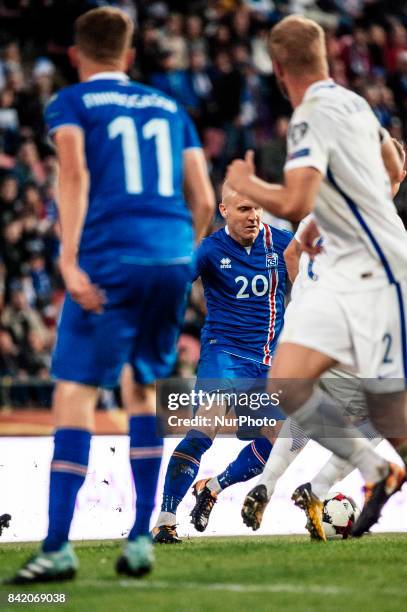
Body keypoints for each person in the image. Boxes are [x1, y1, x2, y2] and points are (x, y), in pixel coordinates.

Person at [9, 7, 215, 584]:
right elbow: (203, 193)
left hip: (109, 256)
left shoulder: (71, 103)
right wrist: (179, 251)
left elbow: (72, 173)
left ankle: (56, 547)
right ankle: (142, 537)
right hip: (171, 254)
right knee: (141, 390)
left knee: (74, 391)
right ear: (129, 56)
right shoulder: (170, 107)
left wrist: (69, 257)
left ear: (76, 56)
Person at [226, 15, 407, 540]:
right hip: (354, 270)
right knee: (290, 381)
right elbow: (391, 170)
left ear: (279, 71)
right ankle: (376, 472)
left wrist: (247, 183)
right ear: (324, 58)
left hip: (378, 273)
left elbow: (296, 198)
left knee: (385, 410)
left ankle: (370, 469)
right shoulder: (355, 104)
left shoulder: (308, 115)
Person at [152, 182, 292, 543]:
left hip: (267, 363)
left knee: (278, 440)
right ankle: (165, 520)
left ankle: (212, 487)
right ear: (224, 211)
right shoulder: (211, 250)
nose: (254, 216)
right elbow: (176, 279)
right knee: (203, 432)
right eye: (244, 209)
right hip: (224, 354)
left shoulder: (281, 243)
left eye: (258, 208)